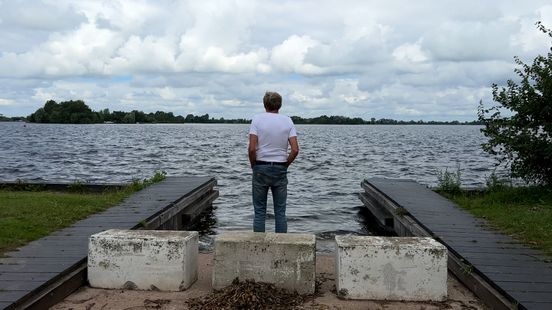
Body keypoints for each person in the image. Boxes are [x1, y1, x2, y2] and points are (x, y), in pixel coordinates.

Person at [248, 91, 299, 233]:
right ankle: (282, 246)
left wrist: (254, 166)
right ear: (280, 105)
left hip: (261, 167)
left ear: (265, 104)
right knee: (280, 212)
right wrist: (285, 164)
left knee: (259, 211)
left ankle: (259, 246)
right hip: (280, 168)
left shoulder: (257, 120)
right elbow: (295, 150)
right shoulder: (288, 121)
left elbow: (252, 149)